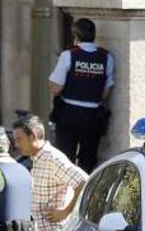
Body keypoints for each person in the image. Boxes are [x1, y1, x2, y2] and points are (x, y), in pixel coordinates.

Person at [48, 18, 114, 172]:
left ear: (75, 35)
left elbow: (56, 88)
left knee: (64, 159)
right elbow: (106, 91)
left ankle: (68, 192)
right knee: (88, 160)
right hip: (93, 116)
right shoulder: (106, 57)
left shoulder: (68, 55)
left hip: (68, 114)